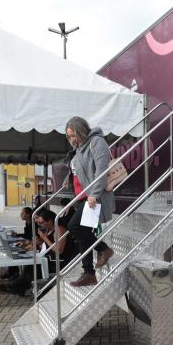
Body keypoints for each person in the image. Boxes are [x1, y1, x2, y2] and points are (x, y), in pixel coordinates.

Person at [64, 116, 115, 287]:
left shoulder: (96, 142)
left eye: (74, 135)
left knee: (73, 227)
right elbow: (80, 170)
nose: (72, 139)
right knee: (81, 237)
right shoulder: (78, 149)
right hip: (82, 198)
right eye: (69, 136)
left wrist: (94, 193)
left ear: (82, 130)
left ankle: (103, 249)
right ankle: (89, 273)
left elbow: (101, 170)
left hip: (94, 197)